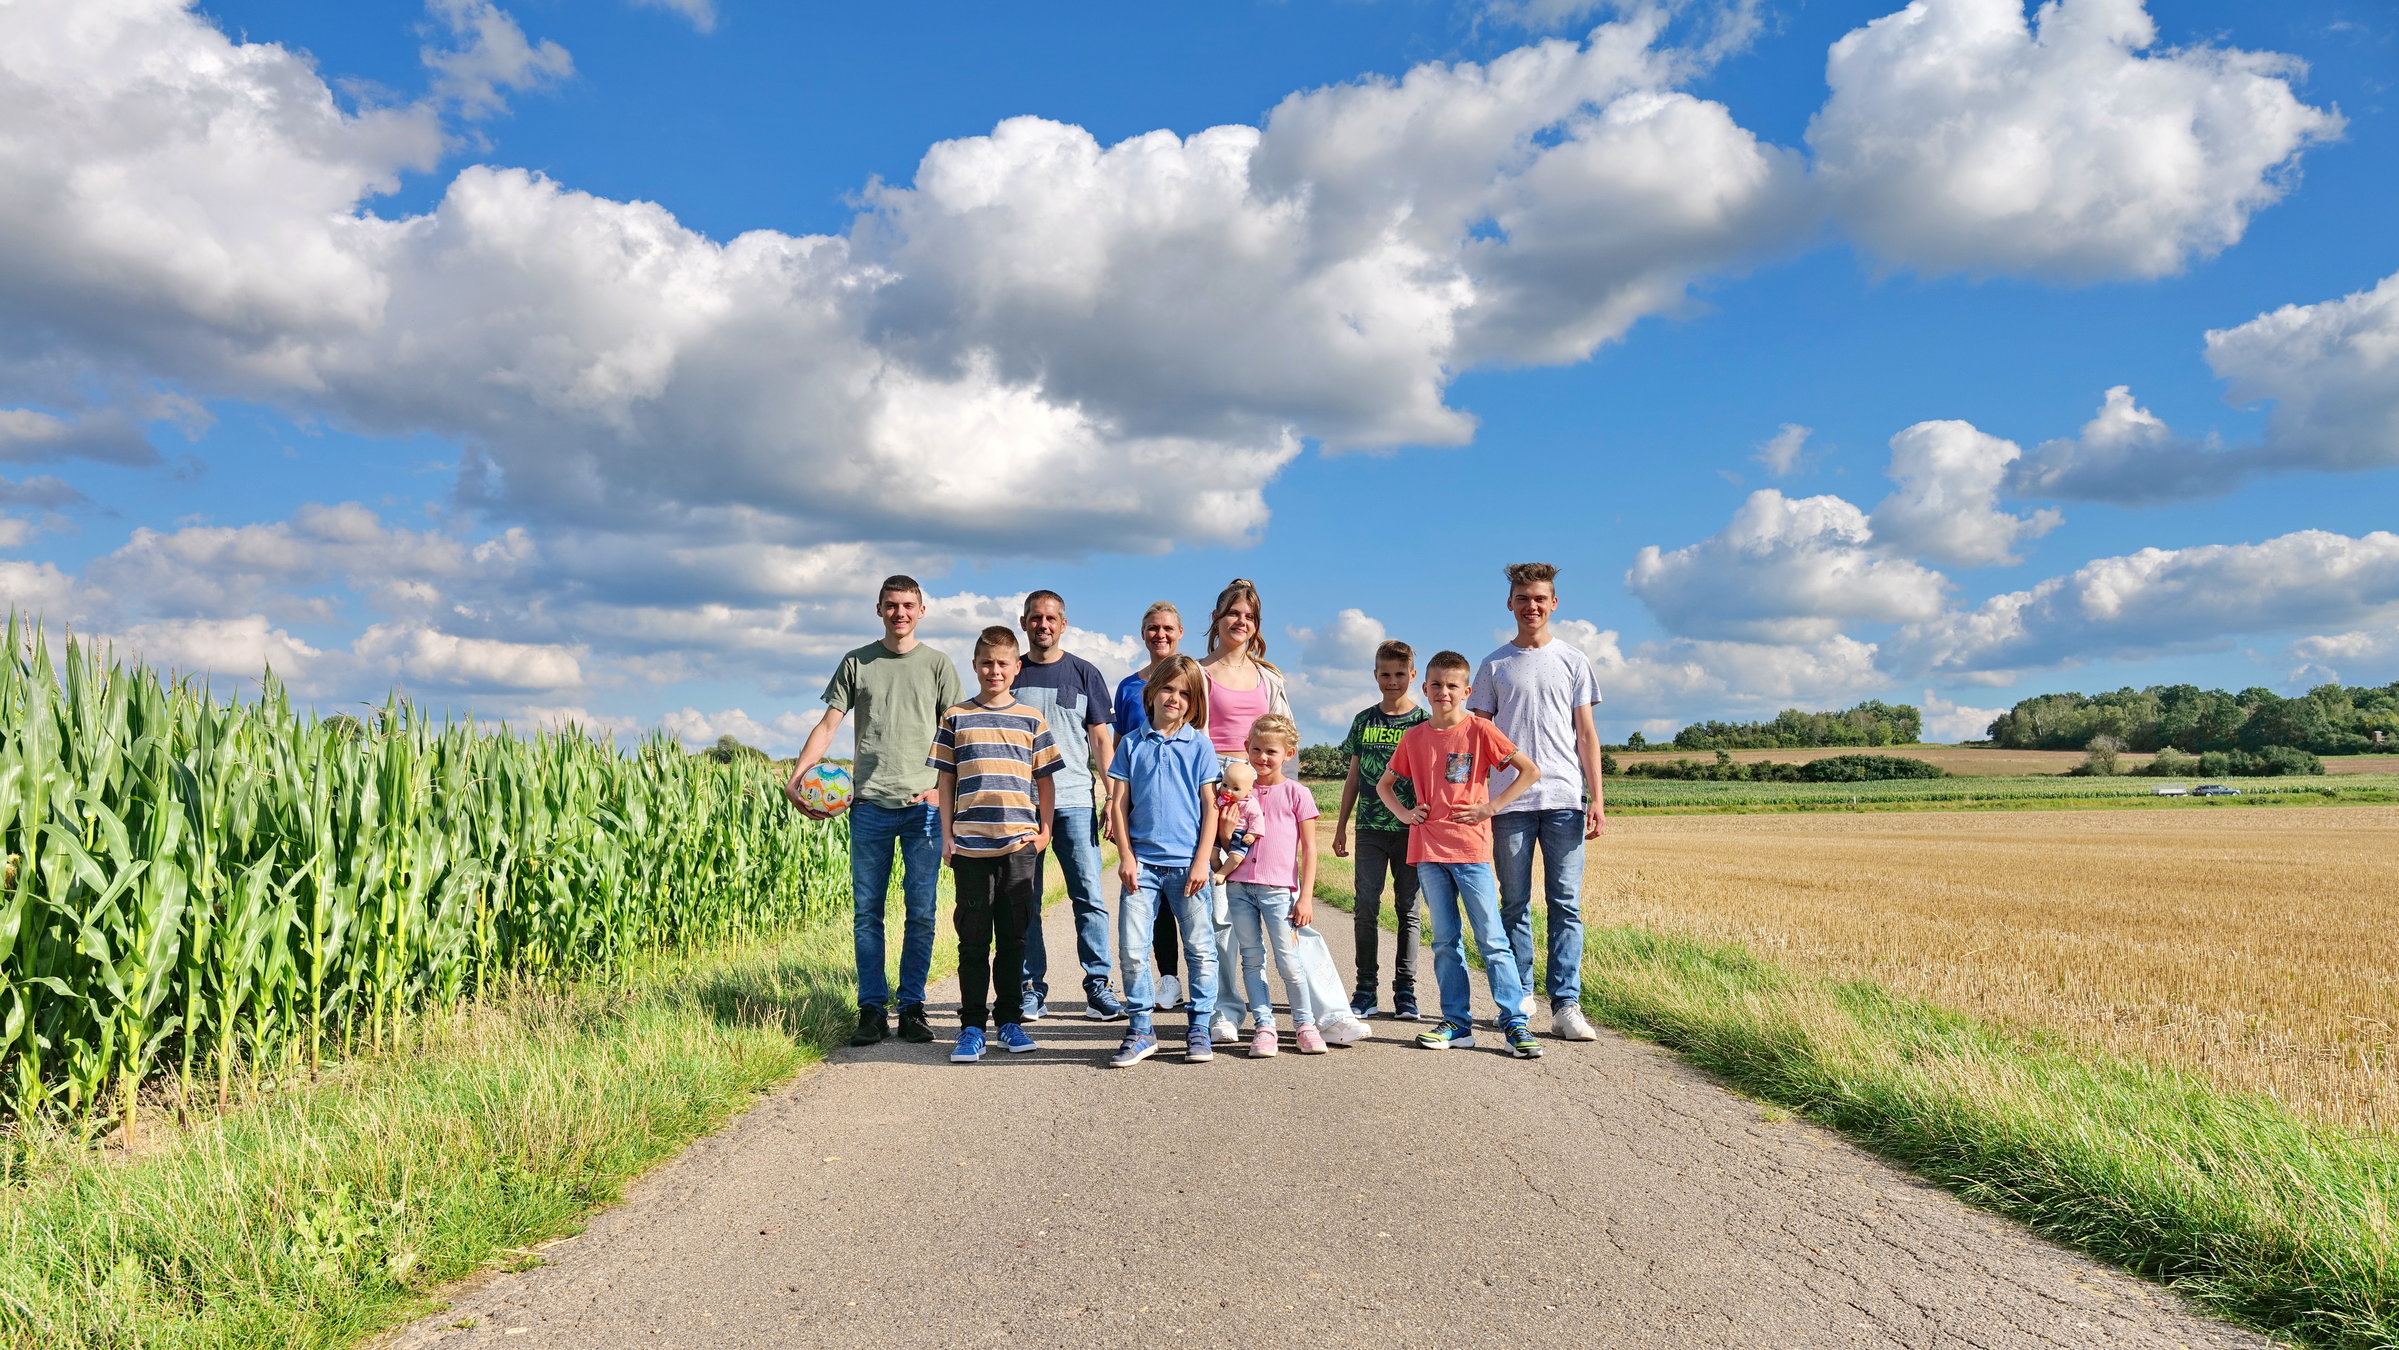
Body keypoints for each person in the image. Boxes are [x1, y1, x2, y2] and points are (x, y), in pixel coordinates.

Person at [1196, 580, 1374, 1047]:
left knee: (1290, 908)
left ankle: (1330, 1012)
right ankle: (1225, 1010)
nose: (1240, 622)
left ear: (1256, 626)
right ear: (1216, 618)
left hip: (1266, 786)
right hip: (1215, 787)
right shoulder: (1197, 673)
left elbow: (1285, 741)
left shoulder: (1269, 677)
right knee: (1221, 911)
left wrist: (1283, 792)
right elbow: (1189, 735)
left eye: (1249, 617)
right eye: (1232, 613)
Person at [787, 575, 962, 1048]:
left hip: (922, 807)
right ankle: (870, 1010)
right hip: (868, 807)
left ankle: (912, 1007)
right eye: (891, 605)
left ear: (921, 610)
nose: (899, 613)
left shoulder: (938, 665)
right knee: (867, 913)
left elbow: (954, 737)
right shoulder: (857, 662)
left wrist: (942, 794)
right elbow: (828, 724)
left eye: (908, 605)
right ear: (879, 609)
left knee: (921, 911)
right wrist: (796, 777)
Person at [1377, 650, 1545, 1059]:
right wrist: (1405, 813)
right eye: (1436, 685)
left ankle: (1514, 1023)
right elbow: (1386, 785)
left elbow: (1529, 770)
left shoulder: (1480, 730)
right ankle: (1457, 1023)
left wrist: (1490, 807)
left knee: (1491, 938)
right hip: (1429, 851)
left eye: (1453, 686)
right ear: (1425, 688)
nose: (1444, 692)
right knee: (1446, 941)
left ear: (1467, 691)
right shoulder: (1413, 737)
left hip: (1470, 850)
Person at [1470, 562, 1606, 1042]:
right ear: (1510, 604)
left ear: (1554, 603)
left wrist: (1597, 799)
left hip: (1565, 798)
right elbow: (1476, 740)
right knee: (1514, 904)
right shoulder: (1493, 665)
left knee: (1565, 904)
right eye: (1523, 598)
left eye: (1540, 598)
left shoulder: (1574, 660)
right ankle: (1520, 995)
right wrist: (1478, 803)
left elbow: (1586, 735)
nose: (1531, 606)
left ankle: (1566, 1005)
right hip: (1509, 803)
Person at [928, 627, 1061, 1062]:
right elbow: (946, 780)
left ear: (1016, 667)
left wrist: (1044, 832)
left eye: (1003, 663)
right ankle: (970, 1027)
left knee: (1013, 937)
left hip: (1018, 846)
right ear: (975, 666)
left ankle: (1009, 1022)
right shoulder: (955, 716)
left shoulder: (1031, 719)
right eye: (987, 663)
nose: (995, 671)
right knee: (972, 939)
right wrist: (946, 834)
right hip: (969, 847)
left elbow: (1046, 781)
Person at [1009, 590, 1125, 1022]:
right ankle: (1030, 988)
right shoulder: (1011, 673)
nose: (1043, 624)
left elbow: (1100, 740)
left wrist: (1112, 797)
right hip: (1021, 806)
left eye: (1051, 618)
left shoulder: (1084, 673)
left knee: (1089, 896)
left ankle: (1098, 986)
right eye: (1035, 618)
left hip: (1075, 801)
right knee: (1026, 900)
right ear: (1024, 623)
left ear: (1063, 623)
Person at [1104, 655, 1223, 1067]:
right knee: (1133, 950)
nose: (1175, 698)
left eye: (1185, 693)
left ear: (1194, 704)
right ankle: (1140, 1028)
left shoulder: (1200, 746)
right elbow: (1119, 803)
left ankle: (1200, 1026)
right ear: (1152, 693)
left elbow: (1211, 808)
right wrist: (1125, 856)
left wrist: (1201, 861)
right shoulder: (1132, 744)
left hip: (1189, 866)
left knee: (1200, 949)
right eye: (1168, 689)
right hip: (1143, 867)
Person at [1333, 639, 1429, 1021]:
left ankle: (1405, 992)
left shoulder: (1423, 722)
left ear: (1413, 676)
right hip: (1370, 828)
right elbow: (1354, 776)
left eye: (1400, 675)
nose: (1392, 681)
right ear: (1375, 675)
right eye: (1385, 675)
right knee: (1365, 907)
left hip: (1411, 830)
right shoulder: (1363, 720)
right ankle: (1365, 990)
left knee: (1408, 910)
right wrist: (1341, 825)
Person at [1224, 713, 1324, 1057]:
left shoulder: (1297, 793)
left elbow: (1310, 849)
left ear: (1288, 754)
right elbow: (1227, 841)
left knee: (1288, 960)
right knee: (1251, 959)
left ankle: (1304, 1024)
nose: (1262, 758)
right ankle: (1264, 1026)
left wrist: (1305, 897)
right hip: (1239, 888)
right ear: (1245, 748)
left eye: (1271, 751)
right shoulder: (1236, 794)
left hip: (1278, 890)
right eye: (1255, 749)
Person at [1112, 601, 1190, 1010]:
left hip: (1187, 808)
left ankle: (1213, 991)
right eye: (1153, 628)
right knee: (1151, 900)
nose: (1160, 634)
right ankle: (1168, 978)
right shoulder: (1128, 687)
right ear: (1143, 633)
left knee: (1195, 898)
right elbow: (1122, 751)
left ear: (1180, 633)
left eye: (1168, 628)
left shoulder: (1194, 680)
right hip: (1142, 807)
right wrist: (1115, 808)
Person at [1210, 760, 1263, 885]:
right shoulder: (1219, 797)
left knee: (1236, 857)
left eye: (1236, 788)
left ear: (1249, 790)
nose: (1228, 791)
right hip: (1217, 830)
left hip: (1239, 833)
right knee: (1212, 856)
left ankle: (1222, 873)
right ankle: (1219, 871)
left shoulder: (1249, 803)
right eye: (1225, 785)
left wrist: (1252, 834)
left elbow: (1257, 818)